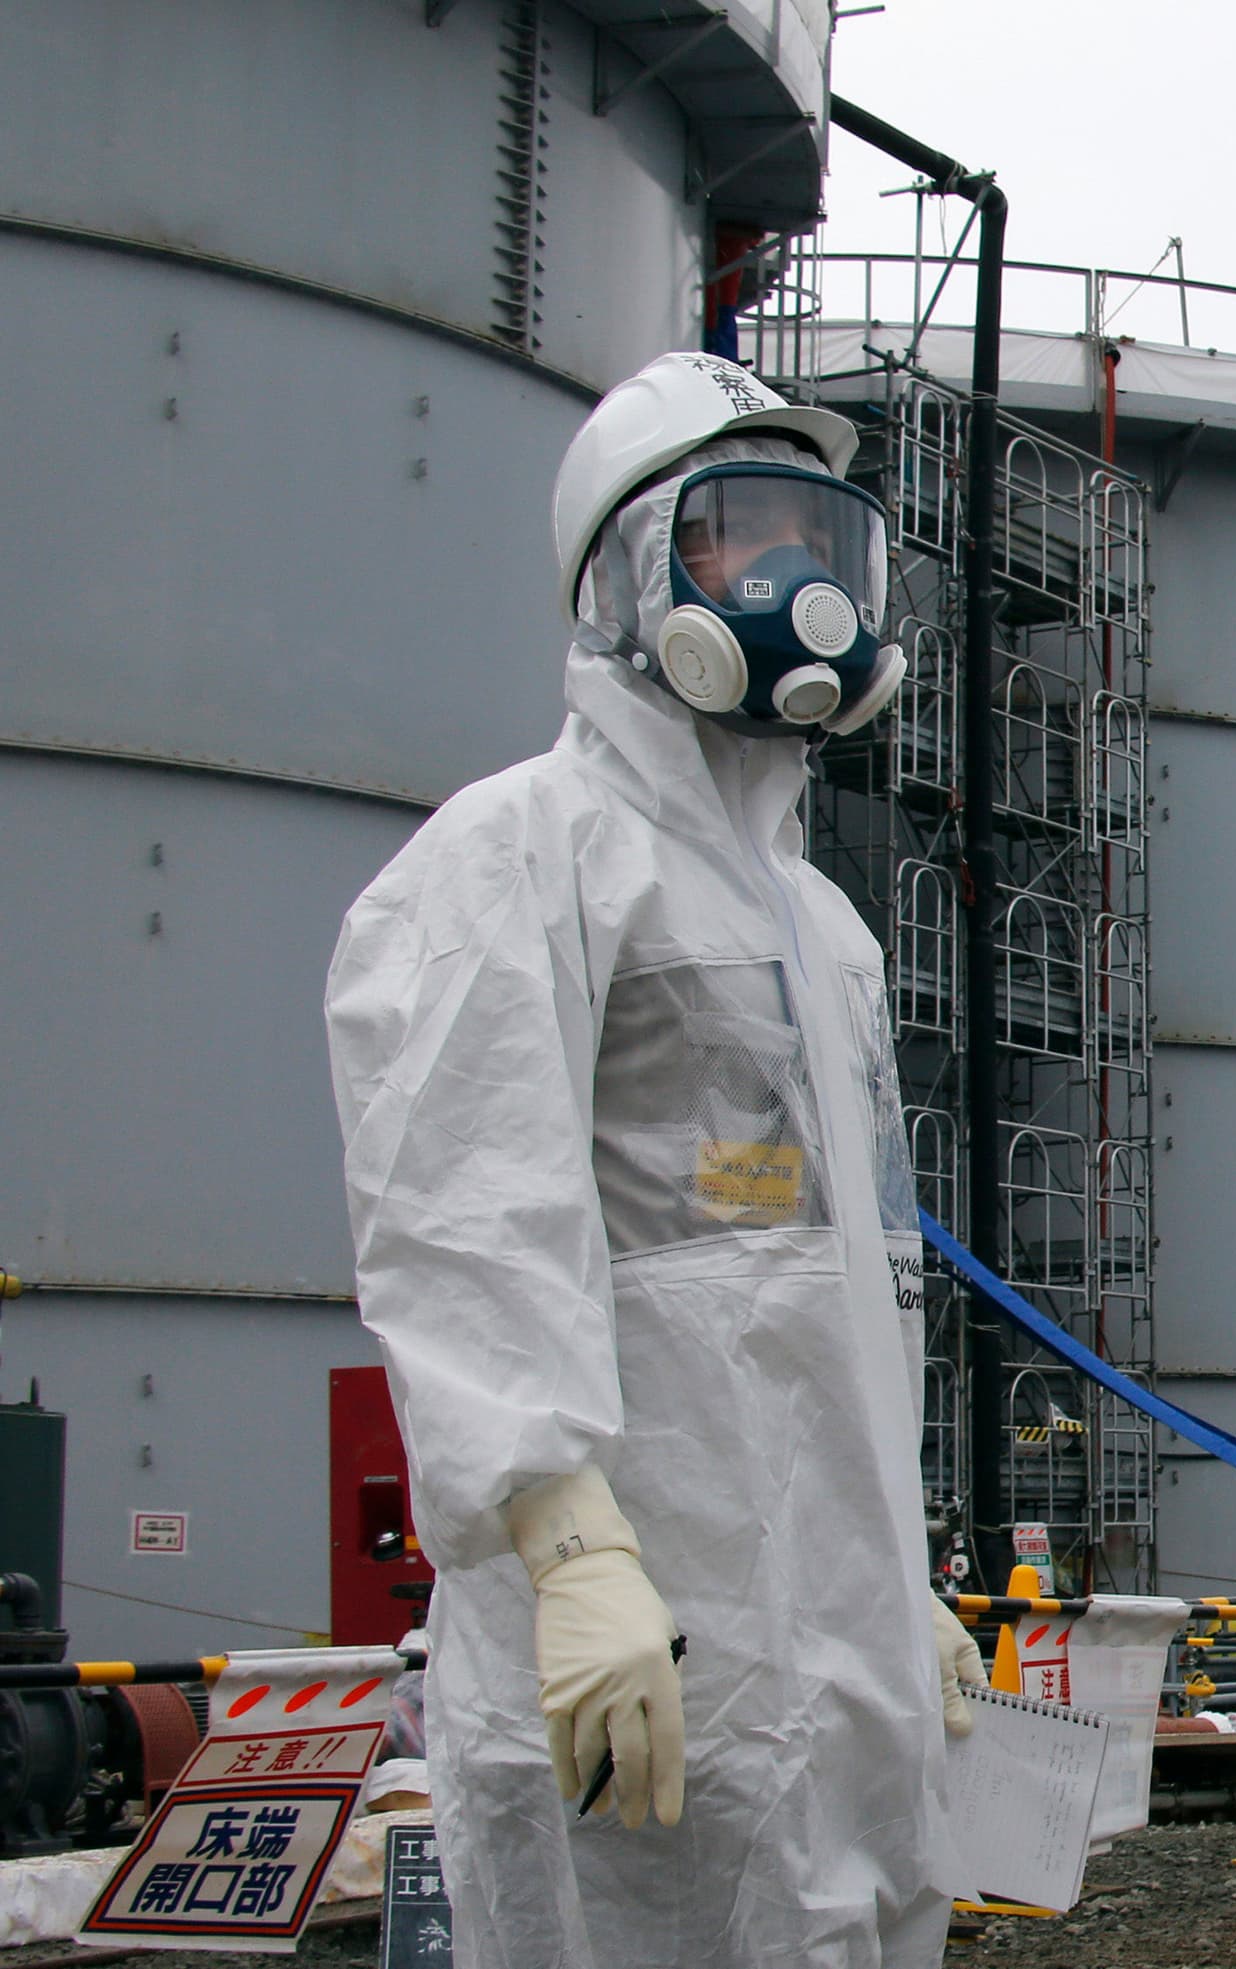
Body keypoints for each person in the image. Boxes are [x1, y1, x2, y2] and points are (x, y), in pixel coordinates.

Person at [326, 351, 985, 1968]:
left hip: (833, 1636)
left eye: (821, 538)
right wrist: (565, 1542)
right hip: (636, 1628)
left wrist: (898, 1572)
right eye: (742, 535)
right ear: (628, 573)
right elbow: (466, 1218)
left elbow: (842, 1293)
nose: (798, 579)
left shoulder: (823, 927)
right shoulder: (520, 852)